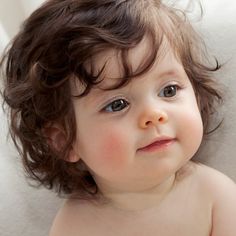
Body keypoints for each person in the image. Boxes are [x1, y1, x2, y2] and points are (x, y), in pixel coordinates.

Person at [1, 0, 236, 235]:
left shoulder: (214, 195)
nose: (154, 115)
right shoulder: (75, 227)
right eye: (117, 104)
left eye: (169, 90)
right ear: (64, 140)